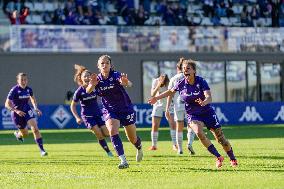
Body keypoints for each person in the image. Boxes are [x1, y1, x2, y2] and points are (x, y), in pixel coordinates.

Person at [148, 59, 238, 168]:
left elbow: (209, 96)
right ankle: (218, 157)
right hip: (193, 114)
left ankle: (232, 158)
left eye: (188, 68)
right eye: (183, 69)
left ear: (194, 71)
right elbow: (170, 92)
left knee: (221, 139)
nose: (185, 71)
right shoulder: (181, 83)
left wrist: (204, 101)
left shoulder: (201, 81)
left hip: (207, 112)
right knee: (199, 133)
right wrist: (156, 98)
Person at [86, 55, 143, 169]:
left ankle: (139, 147)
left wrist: (126, 83)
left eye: (107, 63)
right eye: (102, 63)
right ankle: (123, 161)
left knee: (132, 139)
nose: (104, 65)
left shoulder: (116, 75)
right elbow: (88, 90)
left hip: (125, 109)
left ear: (110, 65)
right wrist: (91, 85)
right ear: (98, 66)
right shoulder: (97, 79)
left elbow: (129, 84)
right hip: (110, 110)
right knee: (112, 131)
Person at [70, 64, 113, 157]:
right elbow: (72, 105)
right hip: (87, 116)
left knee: (106, 133)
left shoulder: (94, 87)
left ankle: (116, 146)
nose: (86, 77)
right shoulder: (79, 91)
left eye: (88, 76)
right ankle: (109, 152)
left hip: (98, 113)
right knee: (99, 134)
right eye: (84, 76)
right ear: (81, 79)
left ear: (91, 78)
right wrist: (77, 117)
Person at [5, 73, 47, 157]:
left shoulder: (29, 89)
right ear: (18, 81)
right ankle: (18, 134)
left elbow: (33, 99)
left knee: (35, 129)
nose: (24, 81)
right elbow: (7, 104)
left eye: (25, 80)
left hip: (27, 110)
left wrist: (35, 108)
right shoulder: (14, 90)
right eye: (21, 80)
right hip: (17, 114)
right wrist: (16, 111)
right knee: (25, 134)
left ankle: (42, 150)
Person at [165, 57, 196, 155]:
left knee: (179, 127)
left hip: (178, 105)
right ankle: (190, 143)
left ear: (177, 68)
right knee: (190, 125)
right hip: (189, 104)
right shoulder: (189, 76)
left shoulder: (174, 78)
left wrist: (167, 108)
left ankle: (180, 149)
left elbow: (170, 94)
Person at [149, 74, 177, 151]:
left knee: (172, 124)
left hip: (169, 104)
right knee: (154, 125)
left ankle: (175, 145)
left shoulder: (170, 82)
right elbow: (152, 94)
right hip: (158, 105)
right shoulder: (155, 81)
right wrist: (158, 85)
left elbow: (172, 93)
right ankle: (154, 145)